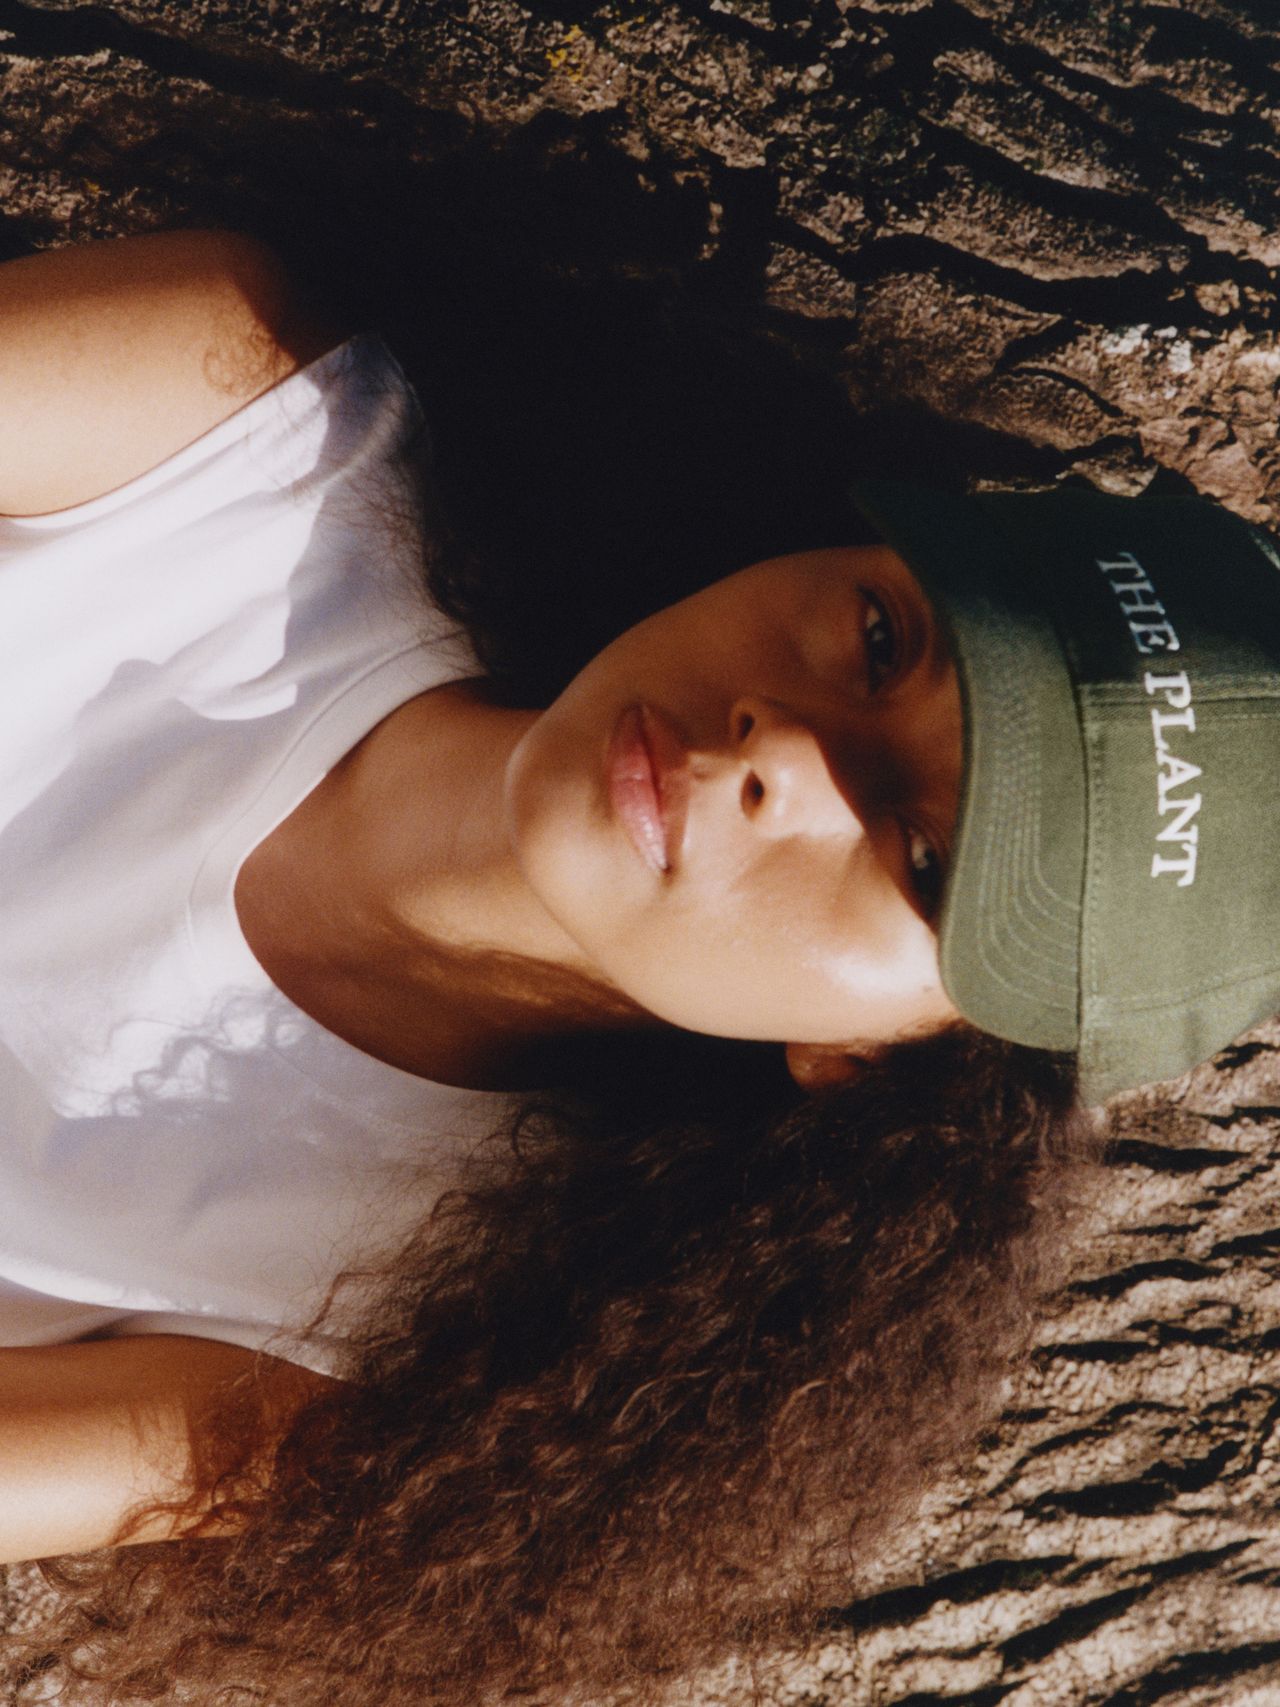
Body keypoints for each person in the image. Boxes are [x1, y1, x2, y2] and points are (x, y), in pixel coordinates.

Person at [2, 220, 1266, 1707]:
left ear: (869, 1058)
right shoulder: (243, 436)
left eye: (926, 862)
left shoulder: (407, 1352)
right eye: (884, 637)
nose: (781, 754)